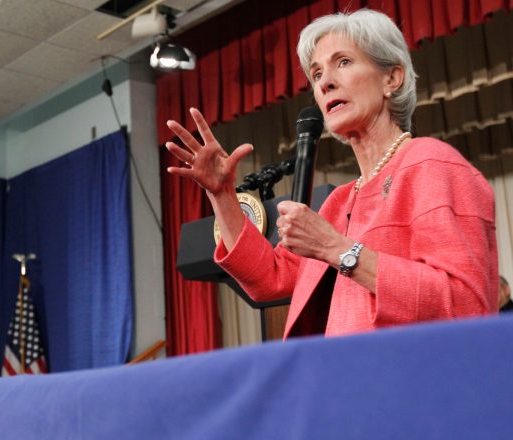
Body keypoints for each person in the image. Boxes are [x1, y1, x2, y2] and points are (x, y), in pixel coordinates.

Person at [165, 9, 497, 338]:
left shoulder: (431, 163)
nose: (325, 82)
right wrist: (223, 195)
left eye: (344, 62)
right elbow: (271, 278)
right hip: (341, 381)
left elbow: (466, 302)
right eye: (317, 73)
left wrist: (338, 250)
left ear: (391, 78)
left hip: (409, 382)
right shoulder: (340, 201)